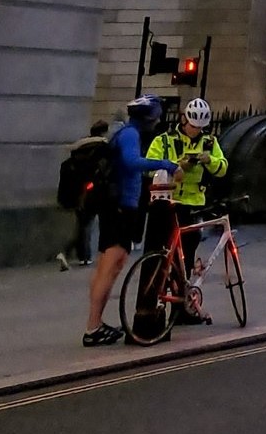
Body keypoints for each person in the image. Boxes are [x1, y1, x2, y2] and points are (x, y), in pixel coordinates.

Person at [83, 96, 176, 347]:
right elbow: (132, 162)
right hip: (119, 208)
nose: (157, 121)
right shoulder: (130, 135)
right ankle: (93, 327)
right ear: (147, 118)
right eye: (155, 117)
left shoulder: (125, 133)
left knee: (112, 264)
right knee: (109, 265)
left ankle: (97, 324)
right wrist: (165, 163)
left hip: (120, 207)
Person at [146, 98, 228, 322]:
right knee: (166, 254)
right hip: (169, 202)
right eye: (193, 127)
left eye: (200, 129)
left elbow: (223, 168)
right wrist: (176, 164)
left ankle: (181, 307)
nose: (196, 132)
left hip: (194, 203)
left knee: (187, 255)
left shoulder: (210, 142)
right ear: (183, 120)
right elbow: (149, 165)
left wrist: (208, 160)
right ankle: (160, 301)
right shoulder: (165, 140)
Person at [56, 121, 109, 270]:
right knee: (86, 225)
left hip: (77, 191)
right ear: (104, 132)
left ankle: (78, 254)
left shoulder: (80, 147)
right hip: (91, 191)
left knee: (83, 224)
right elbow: (100, 170)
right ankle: (79, 255)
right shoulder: (101, 148)